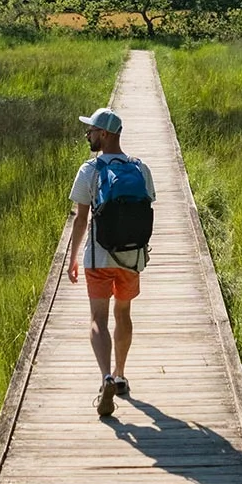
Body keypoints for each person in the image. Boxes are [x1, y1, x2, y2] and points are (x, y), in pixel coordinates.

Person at [68, 106, 155, 418]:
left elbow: (81, 221)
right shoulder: (140, 168)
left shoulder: (89, 171)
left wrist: (74, 258)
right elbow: (146, 209)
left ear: (103, 134)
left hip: (99, 257)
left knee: (98, 319)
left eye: (91, 130)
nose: (87, 134)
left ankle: (105, 376)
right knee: (123, 313)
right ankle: (120, 375)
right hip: (132, 257)